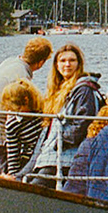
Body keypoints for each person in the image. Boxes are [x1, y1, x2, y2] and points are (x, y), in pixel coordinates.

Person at [29, 42, 100, 183]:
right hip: (48, 156)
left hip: (66, 159)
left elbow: (82, 125)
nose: (67, 64)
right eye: (63, 61)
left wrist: (59, 142)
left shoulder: (83, 90)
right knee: (23, 179)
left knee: (35, 186)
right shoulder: (56, 91)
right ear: (56, 65)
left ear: (78, 64)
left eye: (72, 60)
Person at [0, 35, 53, 171]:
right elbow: (25, 108)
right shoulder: (21, 77)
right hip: (1, 136)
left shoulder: (10, 62)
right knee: (11, 174)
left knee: (5, 172)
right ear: (41, 62)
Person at [0, 79, 45, 171]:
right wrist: (13, 174)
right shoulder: (12, 125)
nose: (16, 113)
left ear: (26, 101)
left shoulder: (43, 112)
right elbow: (13, 154)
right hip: (29, 159)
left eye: (18, 109)